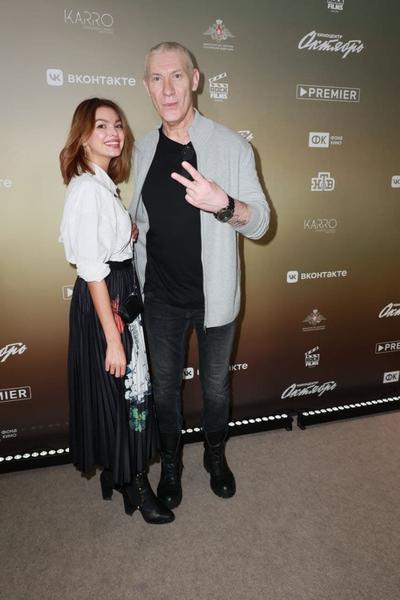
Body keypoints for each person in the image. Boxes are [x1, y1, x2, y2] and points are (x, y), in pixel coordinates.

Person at [130, 43, 270, 509]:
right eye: (156, 78)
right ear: (147, 86)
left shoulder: (232, 147)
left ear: (195, 80)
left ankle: (215, 455)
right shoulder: (141, 149)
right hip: (160, 299)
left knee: (214, 388)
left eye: (176, 76)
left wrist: (224, 204)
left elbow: (261, 223)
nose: (167, 89)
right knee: (164, 390)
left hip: (216, 299)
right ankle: (171, 463)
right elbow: (137, 221)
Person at [59, 97, 174, 524]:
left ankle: (119, 475)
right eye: (101, 126)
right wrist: (113, 339)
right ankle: (135, 484)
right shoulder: (88, 191)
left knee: (123, 394)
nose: (114, 133)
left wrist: (128, 232)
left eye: (118, 125)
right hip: (106, 300)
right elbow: (92, 270)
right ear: (82, 137)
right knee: (123, 396)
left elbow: (106, 249)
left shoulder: (102, 185)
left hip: (119, 293)